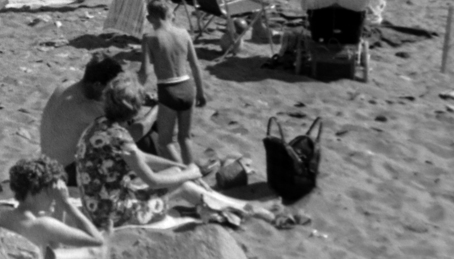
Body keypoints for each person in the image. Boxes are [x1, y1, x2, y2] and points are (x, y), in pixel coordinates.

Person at [76, 74, 295, 230]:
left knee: (178, 175)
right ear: (132, 110)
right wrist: (188, 174)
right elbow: (151, 180)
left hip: (97, 203)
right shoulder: (121, 139)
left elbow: (139, 158)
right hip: (111, 215)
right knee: (183, 184)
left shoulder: (101, 125)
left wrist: (180, 167)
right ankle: (236, 210)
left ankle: (221, 206)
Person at [138, 0, 206, 167]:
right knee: (185, 138)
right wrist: (201, 92)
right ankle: (193, 173)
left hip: (168, 90)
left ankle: (185, 174)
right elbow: (196, 65)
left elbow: (145, 72)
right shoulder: (184, 33)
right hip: (188, 87)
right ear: (170, 15)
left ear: (149, 18)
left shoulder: (149, 38)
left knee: (165, 142)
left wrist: (136, 92)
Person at [38, 55, 130, 175]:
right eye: (109, 88)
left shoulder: (66, 87)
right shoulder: (85, 107)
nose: (111, 92)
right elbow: (128, 132)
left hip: (49, 162)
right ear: (97, 84)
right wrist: (156, 109)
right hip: (65, 171)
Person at [0, 155, 104, 254]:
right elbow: (97, 241)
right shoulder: (43, 225)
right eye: (52, 190)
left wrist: (59, 207)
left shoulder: (1, 213)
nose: (54, 195)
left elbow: (55, 246)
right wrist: (66, 203)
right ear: (40, 190)